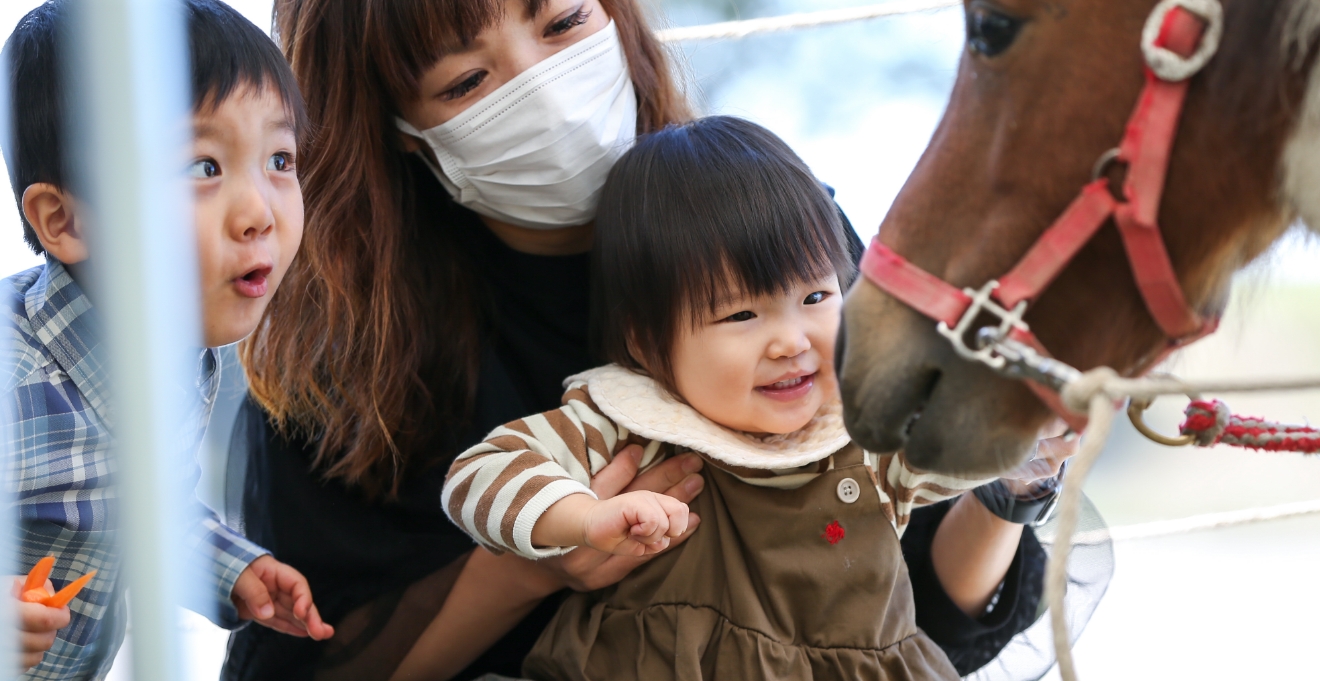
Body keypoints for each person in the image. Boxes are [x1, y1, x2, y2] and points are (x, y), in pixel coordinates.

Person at [228, 1, 1063, 678]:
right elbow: (302, 659)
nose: (547, 89)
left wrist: (1013, 482)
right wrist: (528, 564)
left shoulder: (778, 239)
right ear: (397, 128)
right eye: (469, 80)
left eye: (563, 25)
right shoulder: (343, 358)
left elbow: (916, 614)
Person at [429, 116, 1071, 680]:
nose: (791, 341)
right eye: (740, 315)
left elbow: (953, 450)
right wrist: (582, 519)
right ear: (647, 343)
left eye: (816, 298)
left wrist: (1031, 417)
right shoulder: (629, 421)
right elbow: (477, 476)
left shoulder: (860, 428)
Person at [1, 1, 332, 677]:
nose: (260, 212)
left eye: (279, 157)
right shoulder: (16, 385)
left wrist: (230, 568)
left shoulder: (178, 345)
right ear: (65, 219)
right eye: (203, 167)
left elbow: (139, 504)